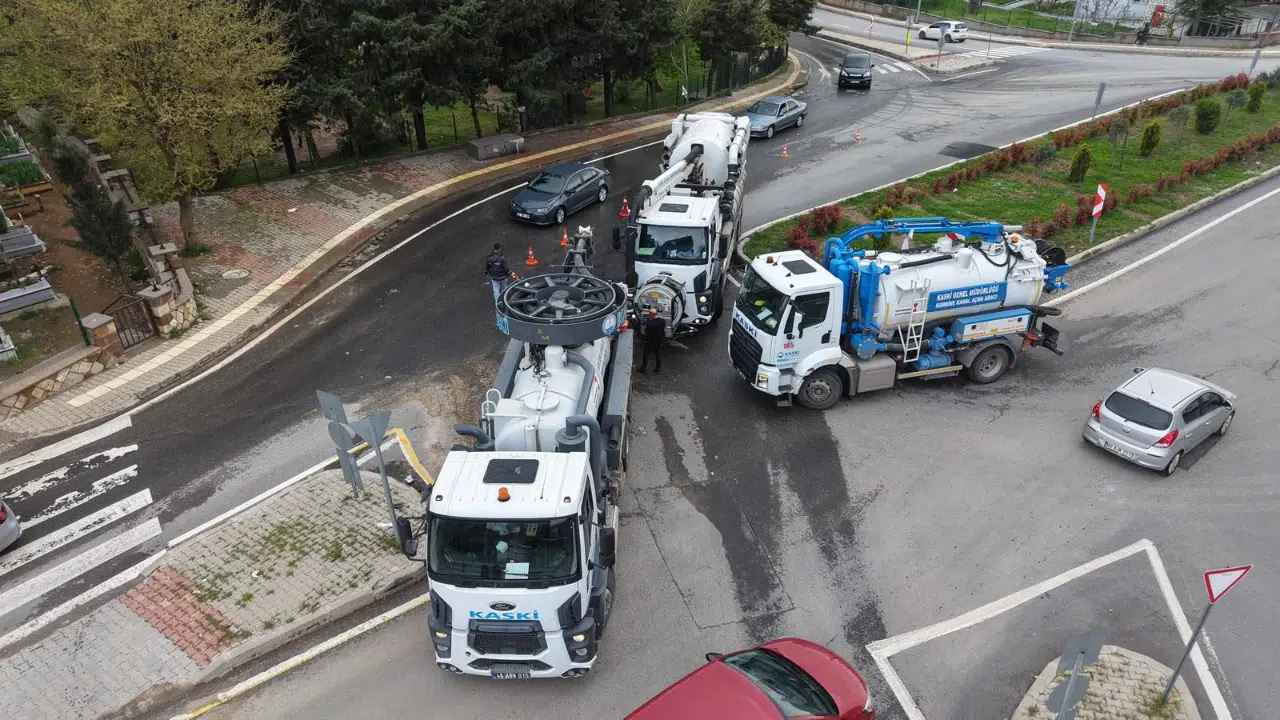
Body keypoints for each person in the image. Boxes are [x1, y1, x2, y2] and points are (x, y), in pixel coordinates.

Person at [638, 306, 666, 374]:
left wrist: (646, 340)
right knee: (658, 354)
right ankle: (657, 369)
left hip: (650, 341)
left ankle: (644, 368)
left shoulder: (650, 323)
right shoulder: (663, 321)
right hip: (659, 341)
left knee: (645, 354)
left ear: (651, 314)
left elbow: (647, 331)